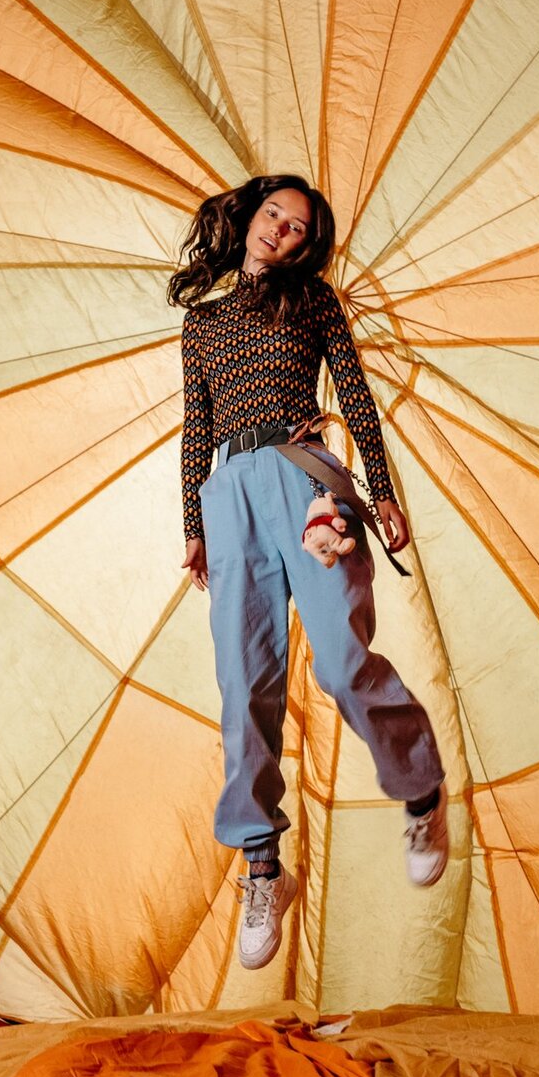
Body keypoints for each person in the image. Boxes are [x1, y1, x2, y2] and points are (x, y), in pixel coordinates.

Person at [171, 174, 449, 972]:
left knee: (342, 657)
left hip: (305, 480)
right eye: (274, 215)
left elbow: (355, 392)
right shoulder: (203, 324)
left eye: (299, 228)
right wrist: (194, 523)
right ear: (251, 214)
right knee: (245, 686)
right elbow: (197, 425)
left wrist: (383, 491)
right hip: (228, 493)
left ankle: (420, 788)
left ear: (307, 245)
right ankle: (262, 864)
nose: (282, 232)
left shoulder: (312, 301)